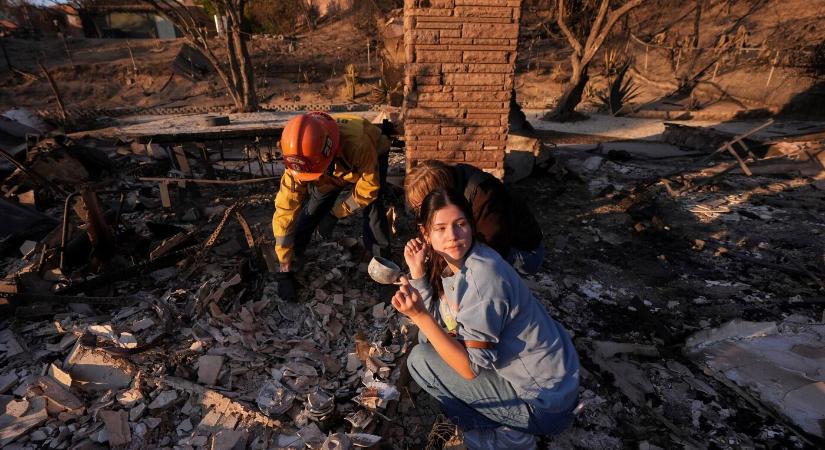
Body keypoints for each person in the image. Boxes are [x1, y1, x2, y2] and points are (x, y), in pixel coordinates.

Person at [391, 189, 580, 450]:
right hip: (554, 383)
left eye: (460, 225)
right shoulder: (461, 262)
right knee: (428, 339)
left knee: (421, 360)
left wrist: (419, 315)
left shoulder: (482, 279)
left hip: (543, 404)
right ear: (425, 233)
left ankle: (511, 436)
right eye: (441, 228)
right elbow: (444, 323)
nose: (453, 237)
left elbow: (469, 369)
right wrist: (417, 272)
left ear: (470, 224)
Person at [272, 112, 391, 302]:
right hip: (325, 167)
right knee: (312, 210)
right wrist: (283, 267)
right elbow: (286, 210)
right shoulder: (298, 159)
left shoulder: (358, 144)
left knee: (373, 210)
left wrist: (336, 213)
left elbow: (368, 189)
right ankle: (293, 261)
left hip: (370, 155)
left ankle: (384, 271)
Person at [404, 160, 545, 275]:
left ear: (437, 195)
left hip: (523, 251)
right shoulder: (452, 181)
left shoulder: (484, 194)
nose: (420, 212)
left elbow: (491, 250)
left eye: (421, 206)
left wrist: (449, 272)